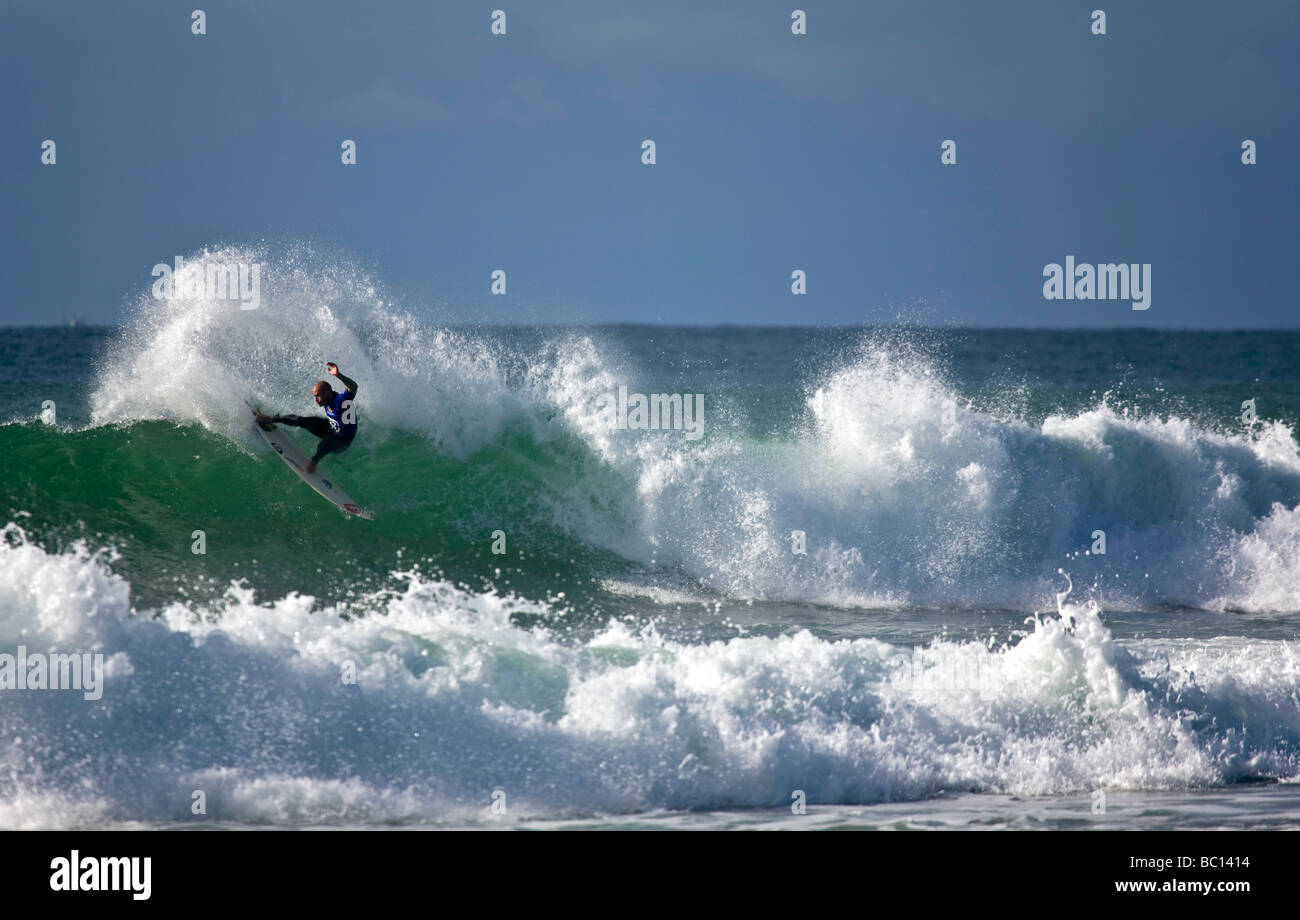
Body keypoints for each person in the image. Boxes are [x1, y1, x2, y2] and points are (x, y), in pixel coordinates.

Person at [256, 362, 358, 473]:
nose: (316, 400)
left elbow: (353, 387)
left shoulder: (340, 401)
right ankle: (272, 419)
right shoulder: (328, 399)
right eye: (314, 396)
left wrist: (338, 375)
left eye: (318, 396)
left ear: (328, 393)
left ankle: (313, 462)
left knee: (327, 442)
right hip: (332, 429)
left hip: (342, 442)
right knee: (304, 421)